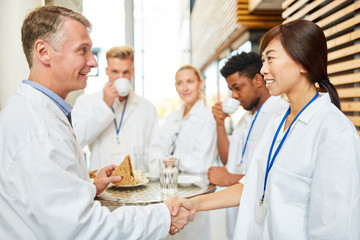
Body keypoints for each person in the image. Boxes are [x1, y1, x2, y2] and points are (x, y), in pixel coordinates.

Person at [0, 6, 193, 239]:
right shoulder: (40, 131)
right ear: (43, 52)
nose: (92, 62)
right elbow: (83, 229)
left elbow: (49, 196)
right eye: (83, 50)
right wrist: (164, 216)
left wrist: (89, 185)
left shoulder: (36, 114)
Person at [176, 19, 360, 239]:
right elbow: (252, 184)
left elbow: (334, 227)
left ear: (303, 63)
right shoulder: (277, 123)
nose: (263, 70)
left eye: (270, 58)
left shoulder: (334, 132)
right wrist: (194, 203)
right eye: (263, 60)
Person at [207, 52, 288, 239]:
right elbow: (229, 159)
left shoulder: (281, 115)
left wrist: (229, 179)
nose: (234, 96)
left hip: (262, 219)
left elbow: (278, 180)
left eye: (238, 87)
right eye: (231, 89)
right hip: (237, 211)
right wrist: (220, 124)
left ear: (258, 80)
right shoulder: (245, 118)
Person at [72, 46, 164, 172]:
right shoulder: (86, 102)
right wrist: (105, 106)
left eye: (126, 72)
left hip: (137, 185)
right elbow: (77, 141)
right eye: (115, 72)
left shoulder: (146, 107)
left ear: (132, 72)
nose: (121, 77)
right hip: (102, 186)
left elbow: (155, 147)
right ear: (107, 71)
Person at [159, 65, 217, 240]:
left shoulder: (208, 117)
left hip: (196, 191)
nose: (184, 88)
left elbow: (200, 162)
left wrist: (172, 161)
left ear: (200, 83)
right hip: (171, 191)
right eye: (180, 83)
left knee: (194, 234)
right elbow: (157, 148)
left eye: (190, 82)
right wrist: (172, 160)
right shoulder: (173, 117)